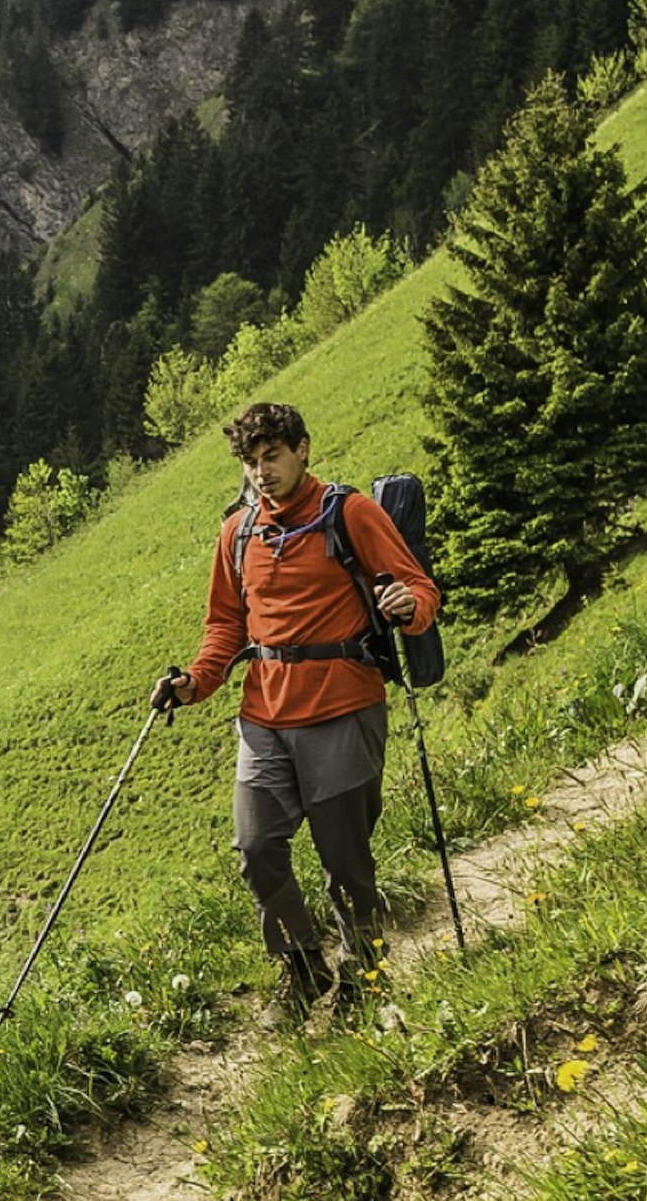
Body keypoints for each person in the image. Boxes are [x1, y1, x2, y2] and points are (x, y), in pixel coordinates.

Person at [152, 401, 440, 1008]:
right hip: (264, 717)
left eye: (273, 456)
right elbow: (225, 626)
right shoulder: (237, 533)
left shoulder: (350, 513)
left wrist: (409, 608)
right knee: (256, 849)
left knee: (346, 865)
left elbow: (417, 585)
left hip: (343, 709)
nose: (263, 472)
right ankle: (302, 966)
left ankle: (364, 976)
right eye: (253, 462)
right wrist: (194, 684)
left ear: (303, 449)